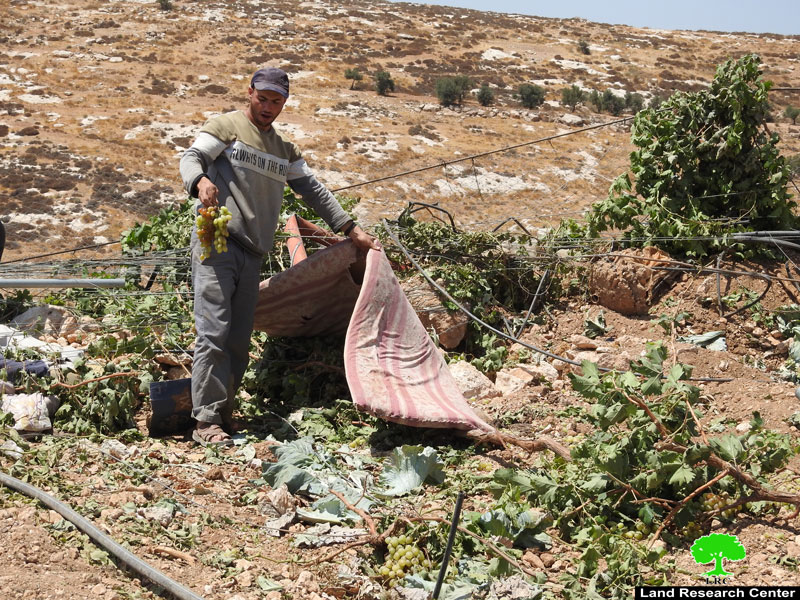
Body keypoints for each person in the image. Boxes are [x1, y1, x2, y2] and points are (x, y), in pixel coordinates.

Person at [179, 67, 380, 446]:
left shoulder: (284, 150)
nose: (269, 106)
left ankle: (223, 414)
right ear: (249, 93)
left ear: (284, 103)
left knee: (238, 337)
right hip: (218, 242)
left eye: (277, 101)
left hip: (254, 250)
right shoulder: (227, 126)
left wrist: (351, 229)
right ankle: (204, 422)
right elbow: (191, 158)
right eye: (263, 98)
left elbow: (314, 192)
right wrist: (201, 181)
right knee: (213, 331)